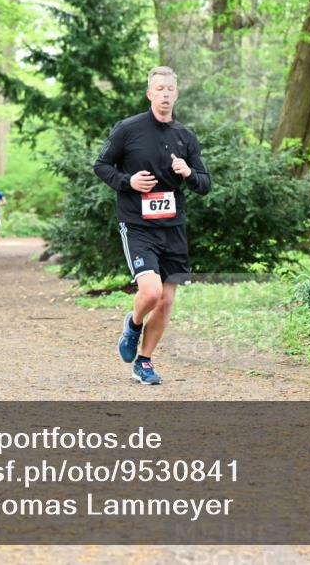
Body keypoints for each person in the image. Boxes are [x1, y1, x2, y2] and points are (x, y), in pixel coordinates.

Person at [94, 66, 211, 385]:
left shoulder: (186, 136)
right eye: (158, 89)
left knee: (167, 300)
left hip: (173, 228)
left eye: (169, 89)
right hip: (137, 224)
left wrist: (188, 172)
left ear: (176, 94)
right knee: (151, 291)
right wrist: (127, 181)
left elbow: (205, 183)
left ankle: (143, 362)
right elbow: (101, 165)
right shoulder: (128, 129)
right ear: (149, 94)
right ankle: (132, 325)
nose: (164, 94)